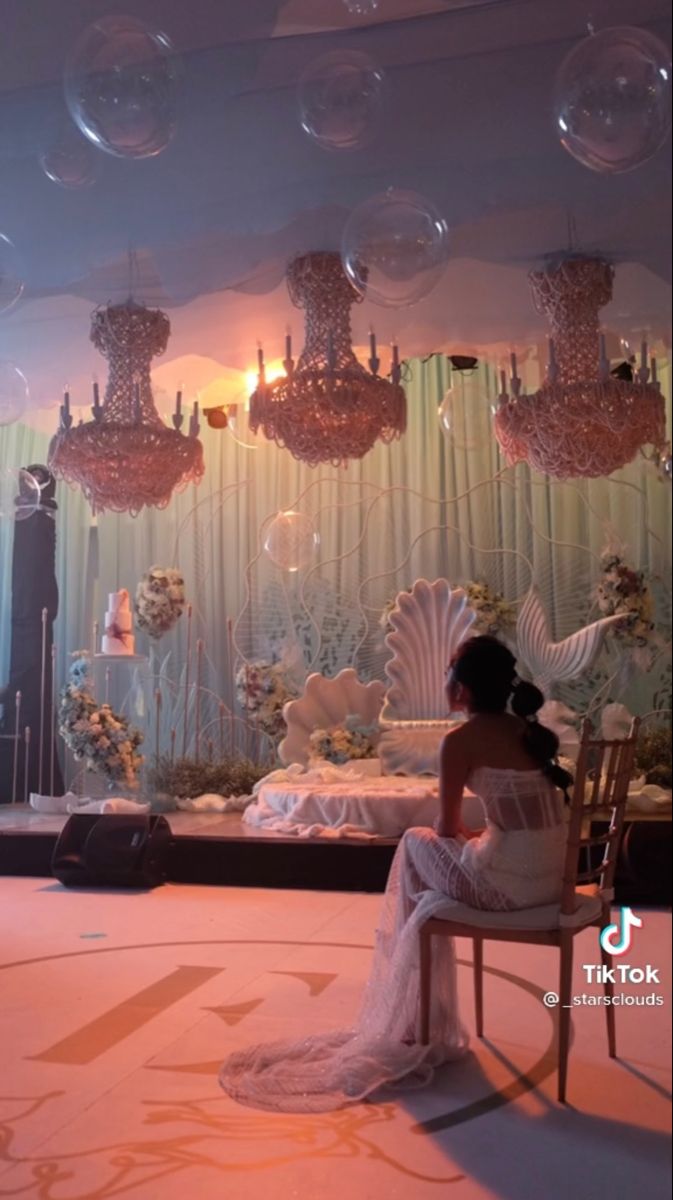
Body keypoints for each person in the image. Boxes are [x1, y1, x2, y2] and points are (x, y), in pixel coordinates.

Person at [219, 636, 572, 1113]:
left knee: (412, 843)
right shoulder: (527, 733)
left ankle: (410, 1019)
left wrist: (468, 842)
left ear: (462, 689)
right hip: (556, 882)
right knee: (428, 862)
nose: (445, 680)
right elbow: (496, 826)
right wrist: (476, 841)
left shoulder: (461, 741)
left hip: (508, 890)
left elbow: (445, 829)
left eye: (449, 670)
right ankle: (419, 1013)